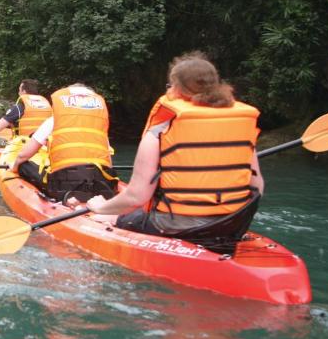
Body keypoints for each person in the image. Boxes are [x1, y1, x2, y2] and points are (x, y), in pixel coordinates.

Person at [85, 52, 264, 251]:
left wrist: (99, 207)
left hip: (174, 226)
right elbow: (257, 187)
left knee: (103, 217)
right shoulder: (240, 129)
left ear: (176, 88)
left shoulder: (161, 131)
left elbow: (136, 197)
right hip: (229, 225)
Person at [10, 82, 118, 203]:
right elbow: (108, 161)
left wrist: (13, 168)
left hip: (65, 187)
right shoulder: (99, 126)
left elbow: (23, 155)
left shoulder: (53, 120)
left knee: (23, 165)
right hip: (101, 186)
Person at [0, 79, 51, 147]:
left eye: (19, 90)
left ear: (24, 92)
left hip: (22, 146)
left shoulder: (20, 107)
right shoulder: (47, 106)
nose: (18, 92)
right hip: (42, 145)